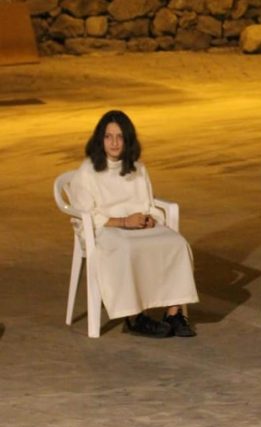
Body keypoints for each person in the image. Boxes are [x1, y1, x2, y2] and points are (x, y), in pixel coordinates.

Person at [67, 110, 199, 338]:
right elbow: (86, 213)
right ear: (100, 139)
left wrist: (149, 219)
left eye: (120, 137)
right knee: (127, 249)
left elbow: (148, 204)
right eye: (109, 136)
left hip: (135, 226)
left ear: (128, 140)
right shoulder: (87, 171)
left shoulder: (137, 169)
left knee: (177, 243)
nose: (114, 143)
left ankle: (173, 313)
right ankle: (135, 316)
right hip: (104, 229)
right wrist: (123, 222)